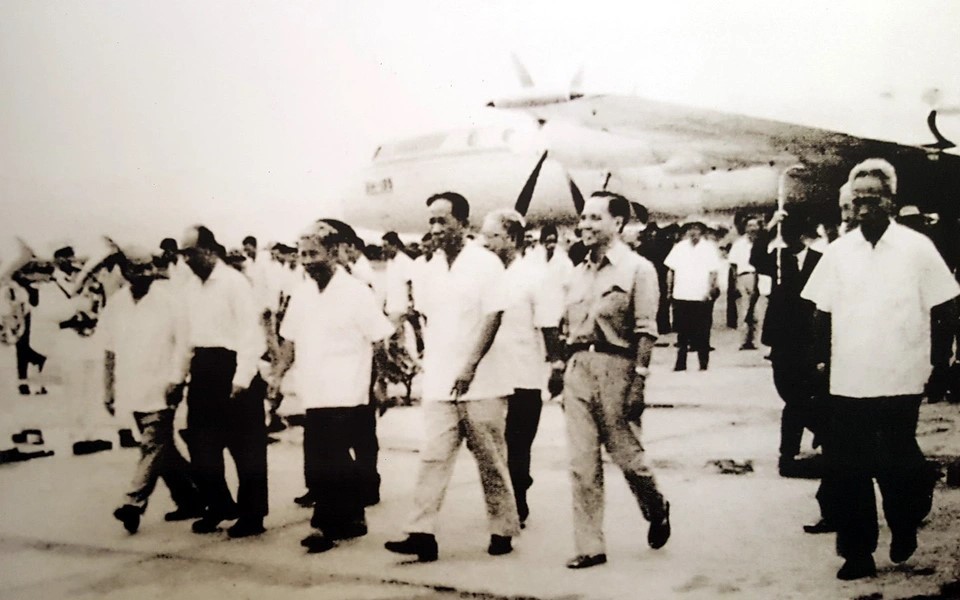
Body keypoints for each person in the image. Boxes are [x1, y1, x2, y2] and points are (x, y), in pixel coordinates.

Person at [802, 159, 959, 580]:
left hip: (901, 376)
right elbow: (821, 313)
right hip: (849, 378)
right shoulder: (838, 252)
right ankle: (857, 553)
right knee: (849, 469)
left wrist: (941, 363)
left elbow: (945, 308)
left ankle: (905, 520)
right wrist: (820, 363)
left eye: (873, 198)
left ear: (891, 200)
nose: (865, 207)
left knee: (898, 461)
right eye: (858, 200)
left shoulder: (917, 248)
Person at [385, 192, 520, 562]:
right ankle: (421, 533)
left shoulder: (486, 263)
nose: (435, 228)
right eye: (431, 221)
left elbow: (493, 316)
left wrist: (470, 365)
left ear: (463, 223)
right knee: (433, 456)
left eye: (442, 220)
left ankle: (502, 528)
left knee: (491, 460)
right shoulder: (428, 268)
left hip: (483, 381)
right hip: (440, 380)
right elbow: (427, 318)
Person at [560, 191, 671, 570]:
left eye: (595, 218)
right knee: (582, 463)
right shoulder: (576, 271)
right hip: (578, 367)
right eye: (584, 218)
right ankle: (590, 546)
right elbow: (567, 325)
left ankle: (656, 506)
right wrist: (561, 366)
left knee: (629, 459)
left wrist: (639, 381)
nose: (585, 225)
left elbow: (646, 330)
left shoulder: (639, 269)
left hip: (618, 369)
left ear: (618, 223)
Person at [277, 221, 394, 553]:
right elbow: (289, 339)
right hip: (314, 389)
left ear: (332, 252)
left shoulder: (356, 292)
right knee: (328, 458)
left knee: (327, 457)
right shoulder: (301, 294)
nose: (307, 261)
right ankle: (353, 517)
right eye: (302, 254)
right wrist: (277, 374)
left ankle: (324, 526)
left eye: (313, 253)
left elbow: (379, 340)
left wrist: (381, 382)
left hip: (348, 388)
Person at [100, 245, 203, 534]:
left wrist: (177, 379)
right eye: (138, 268)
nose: (147, 273)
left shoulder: (169, 300)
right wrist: (108, 389)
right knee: (162, 449)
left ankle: (132, 502)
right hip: (132, 387)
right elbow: (109, 351)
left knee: (153, 443)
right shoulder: (116, 304)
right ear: (124, 271)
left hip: (162, 386)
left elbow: (184, 345)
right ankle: (193, 498)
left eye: (149, 266)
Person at [179, 226, 269, 538]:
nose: (186, 259)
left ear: (209, 251)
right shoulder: (191, 287)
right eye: (183, 253)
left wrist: (241, 379)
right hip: (203, 368)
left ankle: (253, 515)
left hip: (233, 367)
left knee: (247, 449)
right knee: (201, 444)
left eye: (190, 252)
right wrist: (179, 377)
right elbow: (187, 337)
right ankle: (218, 505)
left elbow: (250, 334)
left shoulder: (234, 282)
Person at [482, 209, 564, 530]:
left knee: (518, 443)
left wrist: (557, 365)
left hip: (523, 375)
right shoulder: (483, 275)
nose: (485, 243)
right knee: (493, 445)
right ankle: (503, 503)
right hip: (488, 375)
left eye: (492, 236)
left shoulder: (535, 275)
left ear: (512, 238)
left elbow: (548, 325)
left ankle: (518, 498)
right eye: (483, 236)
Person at [664, 219, 721, 371]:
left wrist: (710, 289)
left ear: (702, 231)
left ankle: (703, 362)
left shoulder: (709, 248)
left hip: (701, 295)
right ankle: (680, 363)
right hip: (681, 294)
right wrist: (669, 290)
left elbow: (713, 272)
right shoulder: (679, 247)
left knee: (703, 330)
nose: (693, 232)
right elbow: (671, 270)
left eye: (697, 228)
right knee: (682, 331)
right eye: (691, 228)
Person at [728, 215, 763, 350]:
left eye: (755, 225)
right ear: (745, 228)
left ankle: (754, 341)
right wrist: (736, 281)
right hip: (744, 276)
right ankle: (743, 341)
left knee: (757, 311)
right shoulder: (739, 244)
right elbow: (733, 264)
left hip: (760, 277)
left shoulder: (762, 242)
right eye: (749, 225)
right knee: (744, 309)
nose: (752, 228)